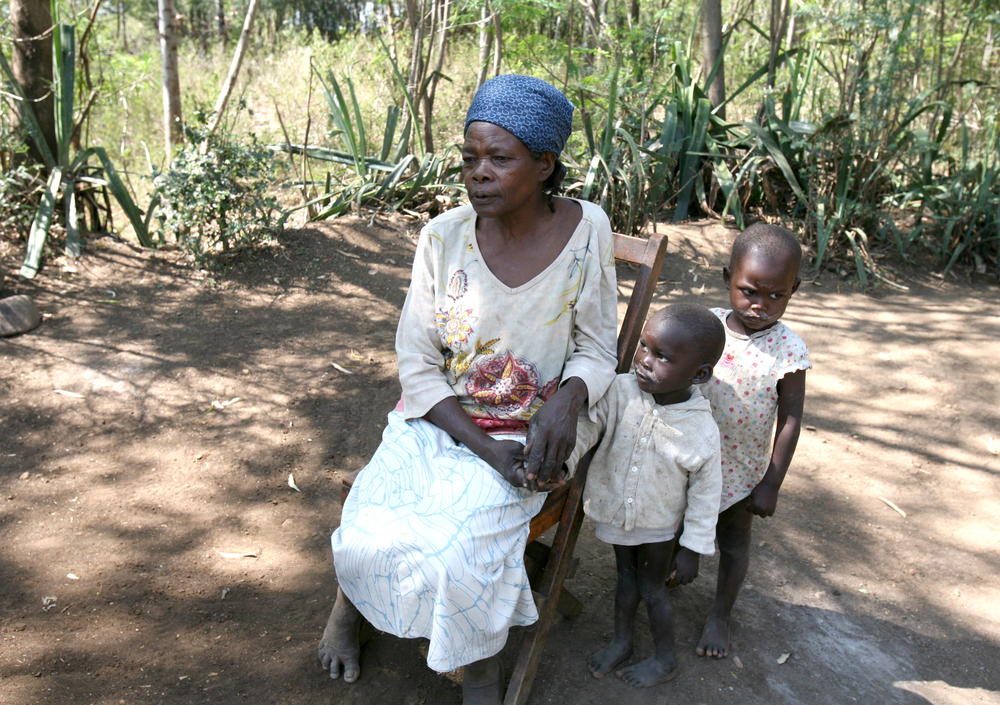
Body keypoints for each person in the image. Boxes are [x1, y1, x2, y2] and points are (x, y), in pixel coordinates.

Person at [318, 75, 619, 705]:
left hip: (539, 424)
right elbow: (418, 364)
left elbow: (597, 349)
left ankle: (478, 669)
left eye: (500, 159)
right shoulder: (443, 237)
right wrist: (482, 447)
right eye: (470, 158)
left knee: (459, 552)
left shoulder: (587, 228)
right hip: (446, 417)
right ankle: (350, 612)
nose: (479, 174)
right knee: (369, 527)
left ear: (544, 164)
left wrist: (569, 399)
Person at [671, 223, 812, 659]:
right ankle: (663, 580)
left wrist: (771, 482)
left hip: (741, 471)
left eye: (776, 295)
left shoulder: (789, 350)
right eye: (749, 290)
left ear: (794, 289)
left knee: (733, 543)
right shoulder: (705, 328)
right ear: (727, 276)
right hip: (685, 458)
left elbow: (790, 417)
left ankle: (720, 614)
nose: (760, 305)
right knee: (670, 524)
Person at [567, 303, 725, 688]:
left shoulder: (701, 429)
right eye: (644, 347)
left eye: (662, 357)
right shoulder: (621, 391)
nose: (644, 361)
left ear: (699, 374)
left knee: (653, 589)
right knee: (625, 579)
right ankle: (622, 641)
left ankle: (665, 658)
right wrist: (564, 461)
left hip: (659, 526)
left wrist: (692, 548)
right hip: (619, 516)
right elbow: (588, 426)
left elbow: (707, 495)